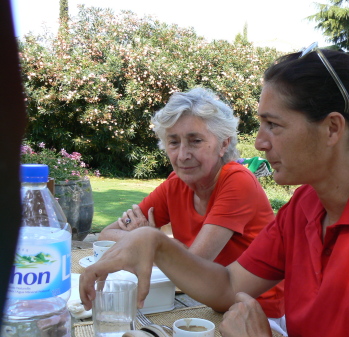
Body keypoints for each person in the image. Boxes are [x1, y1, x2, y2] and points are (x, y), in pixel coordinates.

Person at [80, 45, 349, 337]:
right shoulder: (306, 205)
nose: (260, 142)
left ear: (332, 128)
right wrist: (154, 243)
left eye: (273, 125)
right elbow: (231, 284)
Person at [97, 87, 284, 320]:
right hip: (212, 305)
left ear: (223, 144)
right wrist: (151, 241)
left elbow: (193, 266)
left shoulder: (237, 181)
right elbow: (106, 234)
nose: (183, 155)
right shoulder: (175, 184)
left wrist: (148, 238)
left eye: (195, 141)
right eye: (173, 142)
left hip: (259, 314)